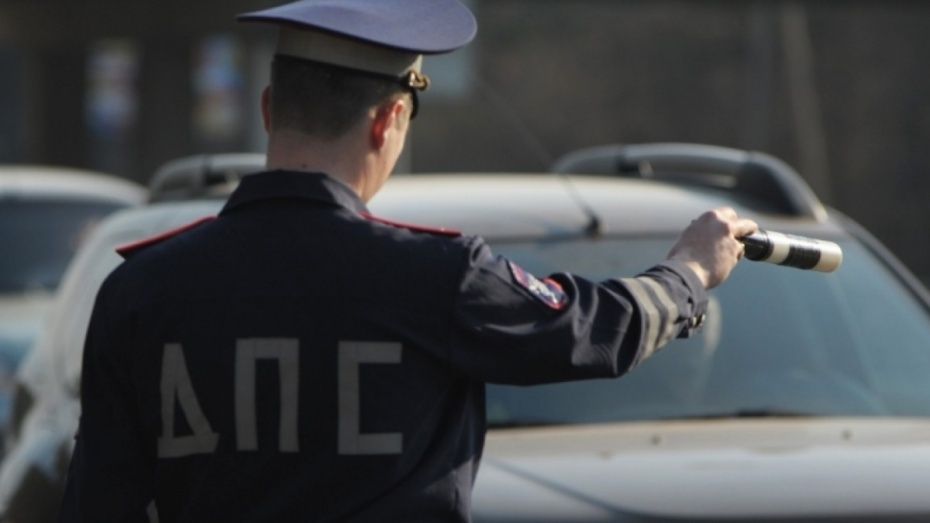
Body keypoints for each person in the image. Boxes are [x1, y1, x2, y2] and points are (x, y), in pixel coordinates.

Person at [59, 0, 757, 521]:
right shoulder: (437, 277)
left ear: (269, 108)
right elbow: (593, 330)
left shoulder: (137, 291)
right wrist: (689, 273)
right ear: (388, 120)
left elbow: (98, 503)